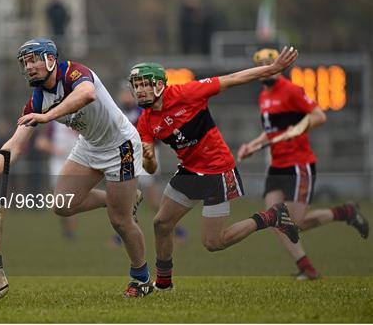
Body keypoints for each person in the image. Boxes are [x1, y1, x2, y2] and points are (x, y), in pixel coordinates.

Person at [0, 38, 152, 297]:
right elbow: (15, 143)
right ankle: (117, 200)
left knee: (120, 221)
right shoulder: (37, 100)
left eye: (33, 60)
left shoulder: (73, 73)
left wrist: (48, 116)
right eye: (25, 63)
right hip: (91, 145)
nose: (29, 67)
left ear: (50, 59)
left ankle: (141, 279)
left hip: (121, 145)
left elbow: (87, 94)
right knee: (62, 204)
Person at [129, 46, 300, 291]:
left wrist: (271, 69)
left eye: (144, 84)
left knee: (214, 242)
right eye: (136, 85)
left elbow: (232, 79)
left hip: (218, 171)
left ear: (159, 85)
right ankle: (164, 283)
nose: (139, 90)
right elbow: (151, 165)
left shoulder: (187, 92)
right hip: (189, 170)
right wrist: (148, 158)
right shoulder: (145, 121)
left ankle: (270, 217)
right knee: (161, 223)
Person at [238, 48, 369, 280]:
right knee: (275, 219)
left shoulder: (291, 91)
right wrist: (252, 145)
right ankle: (307, 268)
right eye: (262, 64)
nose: (267, 67)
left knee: (294, 223)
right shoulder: (263, 96)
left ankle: (345, 212)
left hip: (298, 166)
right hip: (277, 166)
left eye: (271, 62)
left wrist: (300, 128)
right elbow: (271, 132)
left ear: (279, 65)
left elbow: (319, 116)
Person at [110, 85, 187, 247]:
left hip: (146, 157)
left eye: (127, 94)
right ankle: (121, 236)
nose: (125, 98)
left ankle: (177, 230)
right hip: (127, 158)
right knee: (128, 199)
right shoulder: (120, 113)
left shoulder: (143, 112)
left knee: (153, 201)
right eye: (123, 94)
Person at [36, 121, 79, 239]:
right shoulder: (54, 123)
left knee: (72, 196)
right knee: (59, 200)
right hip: (58, 163)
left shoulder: (79, 118)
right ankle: (66, 222)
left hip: (76, 162)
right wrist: (54, 149)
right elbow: (41, 142)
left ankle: (70, 229)